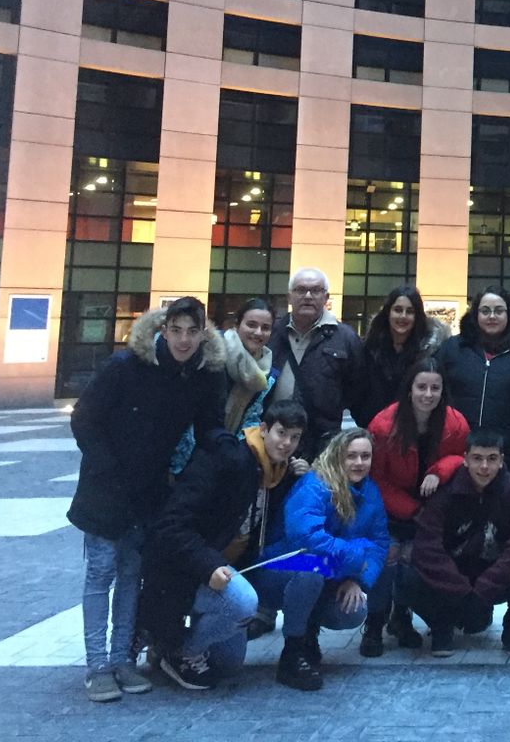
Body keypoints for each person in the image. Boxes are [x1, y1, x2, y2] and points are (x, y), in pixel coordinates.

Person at [68, 296, 227, 703]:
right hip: (105, 490)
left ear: (202, 334)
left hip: (148, 493)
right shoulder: (127, 366)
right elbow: (84, 417)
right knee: (100, 574)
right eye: (176, 330)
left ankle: (122, 659)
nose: (184, 339)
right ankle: (96, 666)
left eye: (193, 332)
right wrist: (108, 468)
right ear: (163, 329)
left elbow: (209, 428)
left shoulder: (200, 376)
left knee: (129, 576)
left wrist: (231, 452)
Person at [138, 400, 308, 690]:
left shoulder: (276, 475)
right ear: (263, 429)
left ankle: (167, 645)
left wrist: (298, 479)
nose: (287, 444)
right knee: (243, 603)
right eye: (281, 433)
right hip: (188, 570)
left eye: (294, 438)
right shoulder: (228, 459)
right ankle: (179, 650)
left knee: (228, 664)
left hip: (228, 568)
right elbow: (172, 524)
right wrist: (209, 565)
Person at [257, 427, 389, 691]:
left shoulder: (370, 492)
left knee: (353, 610)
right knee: (312, 569)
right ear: (338, 456)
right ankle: (292, 652)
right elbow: (305, 538)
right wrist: (354, 556)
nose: (359, 463)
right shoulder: (315, 485)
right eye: (352, 456)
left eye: (366, 456)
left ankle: (309, 630)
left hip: (331, 571)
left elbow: (380, 543)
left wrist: (357, 579)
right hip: (280, 567)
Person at [405, 427, 510, 657]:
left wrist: (484, 588)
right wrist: (461, 590)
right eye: (477, 458)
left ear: (501, 461)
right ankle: (442, 628)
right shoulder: (445, 492)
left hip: (494, 578)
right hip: (452, 579)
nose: (484, 467)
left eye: (491, 459)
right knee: (407, 577)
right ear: (465, 460)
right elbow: (428, 547)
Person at [361, 355, 468, 655]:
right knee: (388, 560)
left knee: (418, 563)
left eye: (435, 388)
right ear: (409, 388)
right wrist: (412, 509)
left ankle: (402, 617)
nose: (428, 395)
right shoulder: (383, 426)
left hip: (433, 506)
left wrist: (439, 472)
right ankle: (373, 624)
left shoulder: (455, 422)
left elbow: (463, 457)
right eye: (422, 387)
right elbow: (376, 479)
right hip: (389, 506)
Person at [441, 286, 510, 475]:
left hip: (507, 453)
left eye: (499, 311)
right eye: (485, 311)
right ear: (476, 314)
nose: (492, 316)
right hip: (456, 450)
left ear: (509, 314)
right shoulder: (454, 348)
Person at [266, 267, 367, 460]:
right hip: (274, 439)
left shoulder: (345, 338)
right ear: (289, 297)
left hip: (322, 443)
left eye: (316, 290)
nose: (308, 295)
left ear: (326, 297)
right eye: (300, 290)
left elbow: (358, 390)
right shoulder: (272, 332)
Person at [355, 284, 447, 429]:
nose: (403, 316)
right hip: (373, 429)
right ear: (388, 312)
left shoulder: (431, 352)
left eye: (410, 311)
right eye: (398, 310)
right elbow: (358, 390)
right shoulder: (370, 347)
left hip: (416, 431)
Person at [224, 298, 276, 436]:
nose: (258, 332)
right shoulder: (213, 356)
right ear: (236, 325)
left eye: (265, 328)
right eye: (251, 325)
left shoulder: (269, 375)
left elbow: (254, 418)